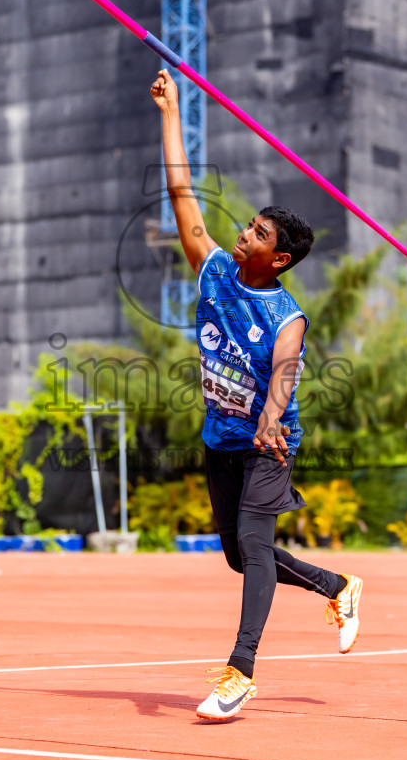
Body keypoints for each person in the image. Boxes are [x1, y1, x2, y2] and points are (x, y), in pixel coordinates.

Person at [150, 69, 363, 721]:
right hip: (220, 440)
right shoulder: (214, 270)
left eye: (258, 235)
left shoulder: (286, 316)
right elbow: (181, 193)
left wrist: (270, 421)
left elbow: (284, 374)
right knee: (243, 558)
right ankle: (336, 586)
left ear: (278, 260)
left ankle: (239, 672)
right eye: (247, 227)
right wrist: (169, 112)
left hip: (268, 444)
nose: (244, 234)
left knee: (252, 540)